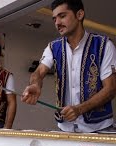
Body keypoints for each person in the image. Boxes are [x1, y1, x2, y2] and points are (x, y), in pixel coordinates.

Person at [21, 0, 116, 133]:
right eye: (54, 19)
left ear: (80, 14)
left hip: (99, 127)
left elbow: (111, 89)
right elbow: (39, 72)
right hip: (65, 128)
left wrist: (79, 109)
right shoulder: (53, 47)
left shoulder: (103, 45)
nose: (57, 23)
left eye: (62, 16)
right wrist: (36, 84)